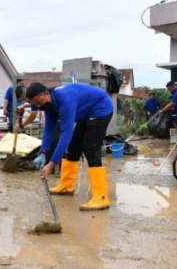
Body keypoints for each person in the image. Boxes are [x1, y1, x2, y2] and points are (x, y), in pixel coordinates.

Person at [26, 82, 113, 211]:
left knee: (90, 148)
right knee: (73, 147)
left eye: (39, 102)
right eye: (36, 104)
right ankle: (66, 186)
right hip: (85, 111)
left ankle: (101, 198)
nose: (39, 106)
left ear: (46, 93)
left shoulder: (64, 99)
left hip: (100, 108)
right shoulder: (48, 104)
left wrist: (51, 164)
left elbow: (66, 134)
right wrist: (43, 152)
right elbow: (49, 130)